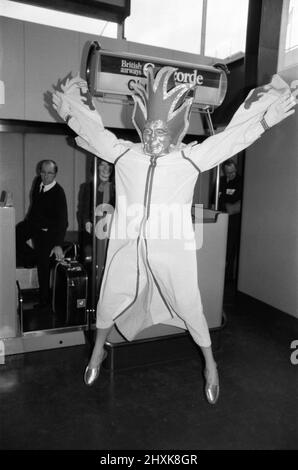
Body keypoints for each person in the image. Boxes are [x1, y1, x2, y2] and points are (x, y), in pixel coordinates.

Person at [52, 68, 295, 404]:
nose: (155, 136)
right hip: (128, 246)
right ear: (141, 124)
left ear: (175, 129)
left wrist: (266, 120)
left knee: (189, 303)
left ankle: (210, 365)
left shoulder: (187, 158)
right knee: (110, 295)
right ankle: (98, 352)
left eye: (162, 130)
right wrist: (68, 109)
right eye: (150, 129)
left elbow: (230, 141)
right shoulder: (124, 152)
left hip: (171, 247)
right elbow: (93, 132)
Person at [16, 160, 68, 309]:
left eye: (49, 173)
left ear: (55, 174)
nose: (45, 176)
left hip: (47, 231)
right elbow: (35, 204)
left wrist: (58, 244)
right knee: (15, 235)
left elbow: (63, 221)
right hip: (33, 224)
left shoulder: (59, 192)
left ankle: (44, 302)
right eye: (43, 172)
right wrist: (28, 220)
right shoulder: (38, 181)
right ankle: (31, 258)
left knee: (43, 267)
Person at [218, 158, 243, 280]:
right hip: (220, 220)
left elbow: (235, 208)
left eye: (233, 172)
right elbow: (214, 203)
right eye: (228, 172)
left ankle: (227, 277)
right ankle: (218, 274)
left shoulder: (241, 181)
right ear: (224, 171)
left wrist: (228, 206)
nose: (231, 175)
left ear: (236, 169)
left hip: (234, 222)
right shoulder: (220, 181)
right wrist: (227, 205)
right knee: (219, 248)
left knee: (230, 249)